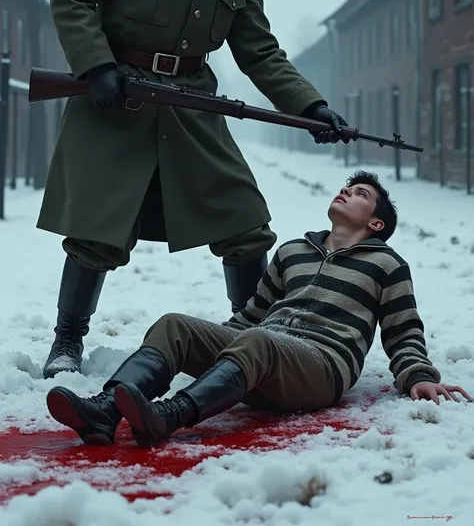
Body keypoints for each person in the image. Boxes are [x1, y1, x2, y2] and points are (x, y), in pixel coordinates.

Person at [38, 0, 349, 381]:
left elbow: (258, 49)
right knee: (97, 230)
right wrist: (96, 65)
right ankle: (67, 341)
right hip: (118, 95)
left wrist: (311, 105)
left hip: (191, 102)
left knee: (244, 220)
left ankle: (253, 340)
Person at [46, 170, 471, 447]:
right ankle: (104, 411)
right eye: (345, 186)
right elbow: (250, 316)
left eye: (359, 194)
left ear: (376, 224)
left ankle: (167, 417)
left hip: (320, 367)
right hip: (261, 353)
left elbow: (403, 331)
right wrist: (208, 347)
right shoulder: (292, 252)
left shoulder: (387, 265)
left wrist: (417, 375)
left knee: (258, 340)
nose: (345, 191)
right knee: (175, 325)